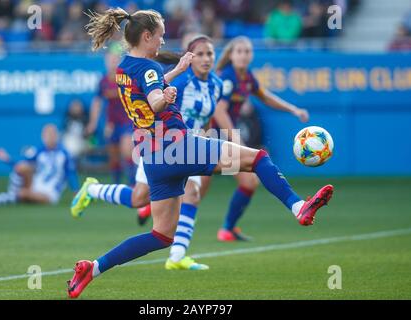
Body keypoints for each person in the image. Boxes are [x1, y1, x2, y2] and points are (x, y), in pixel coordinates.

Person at [67, 8, 333, 299]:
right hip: (177, 145)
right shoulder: (151, 69)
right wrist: (163, 97)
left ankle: (92, 269)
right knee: (258, 159)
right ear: (146, 36)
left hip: (155, 158)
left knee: (161, 235)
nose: (163, 41)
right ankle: (298, 207)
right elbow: (154, 96)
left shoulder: (122, 68)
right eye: (160, 36)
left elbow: (146, 87)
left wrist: (175, 74)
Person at [71, 35, 222, 271]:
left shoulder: (213, 84)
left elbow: (204, 118)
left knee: (150, 197)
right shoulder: (179, 80)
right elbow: (154, 99)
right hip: (160, 143)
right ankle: (93, 189)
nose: (205, 58)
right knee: (157, 196)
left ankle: (176, 255)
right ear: (188, 56)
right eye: (199, 53)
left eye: (209, 53)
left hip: (183, 144)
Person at [213, 36, 310, 242]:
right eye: (239, 51)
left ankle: (227, 229)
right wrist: (236, 141)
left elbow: (265, 97)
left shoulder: (246, 77)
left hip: (222, 137)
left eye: (247, 51)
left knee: (248, 183)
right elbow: (219, 112)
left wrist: (293, 109)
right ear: (231, 54)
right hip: (211, 136)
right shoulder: (228, 77)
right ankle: (148, 202)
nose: (244, 55)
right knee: (191, 190)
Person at [0, 124, 79, 206]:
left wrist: (76, 191)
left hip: (49, 194)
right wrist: (7, 159)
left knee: (22, 193)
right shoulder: (39, 150)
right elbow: (22, 163)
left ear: (57, 136)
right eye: (47, 134)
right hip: (34, 185)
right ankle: (15, 195)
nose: (50, 137)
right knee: (22, 168)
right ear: (43, 136)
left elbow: (71, 173)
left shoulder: (65, 154)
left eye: (52, 134)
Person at [85, 44, 136, 185]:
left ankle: (133, 185)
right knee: (114, 156)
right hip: (112, 123)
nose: (112, 62)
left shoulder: (125, 78)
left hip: (128, 121)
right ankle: (116, 185)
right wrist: (93, 123)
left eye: (114, 59)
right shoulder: (103, 81)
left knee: (127, 151)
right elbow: (97, 102)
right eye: (109, 60)